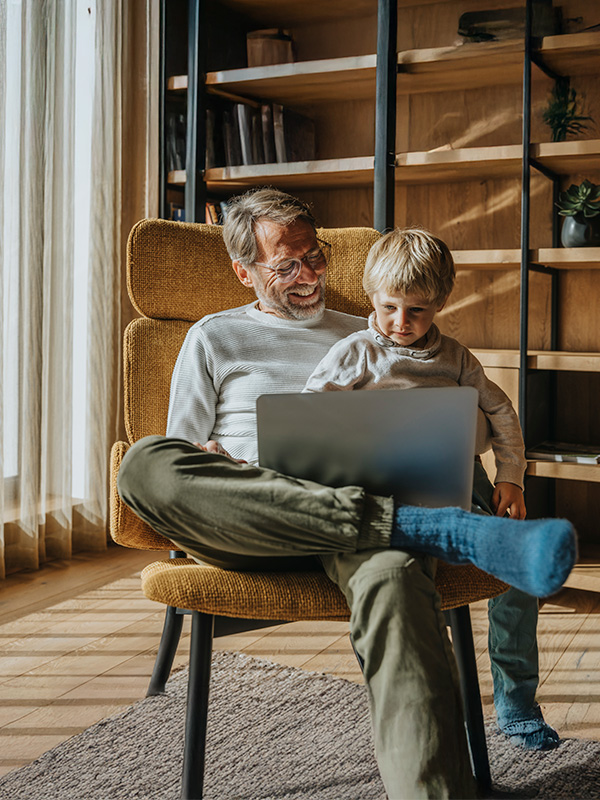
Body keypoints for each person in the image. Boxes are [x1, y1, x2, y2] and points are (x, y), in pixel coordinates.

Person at [118, 188, 576, 799]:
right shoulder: (212, 337)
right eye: (287, 265)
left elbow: (458, 409)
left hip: (363, 520)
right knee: (145, 463)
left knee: (392, 576)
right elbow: (182, 450)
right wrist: (219, 462)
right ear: (244, 271)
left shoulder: (375, 332)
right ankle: (433, 529)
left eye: (316, 257)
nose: (309, 276)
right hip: (257, 514)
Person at [303, 225, 563, 751]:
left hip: (460, 481)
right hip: (384, 490)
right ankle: (429, 705)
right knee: (404, 585)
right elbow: (309, 414)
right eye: (390, 308)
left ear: (440, 303)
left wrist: (510, 478)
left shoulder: (458, 359)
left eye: (418, 311)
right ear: (372, 299)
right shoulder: (354, 352)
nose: (402, 323)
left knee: (515, 578)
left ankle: (516, 706)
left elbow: (501, 413)